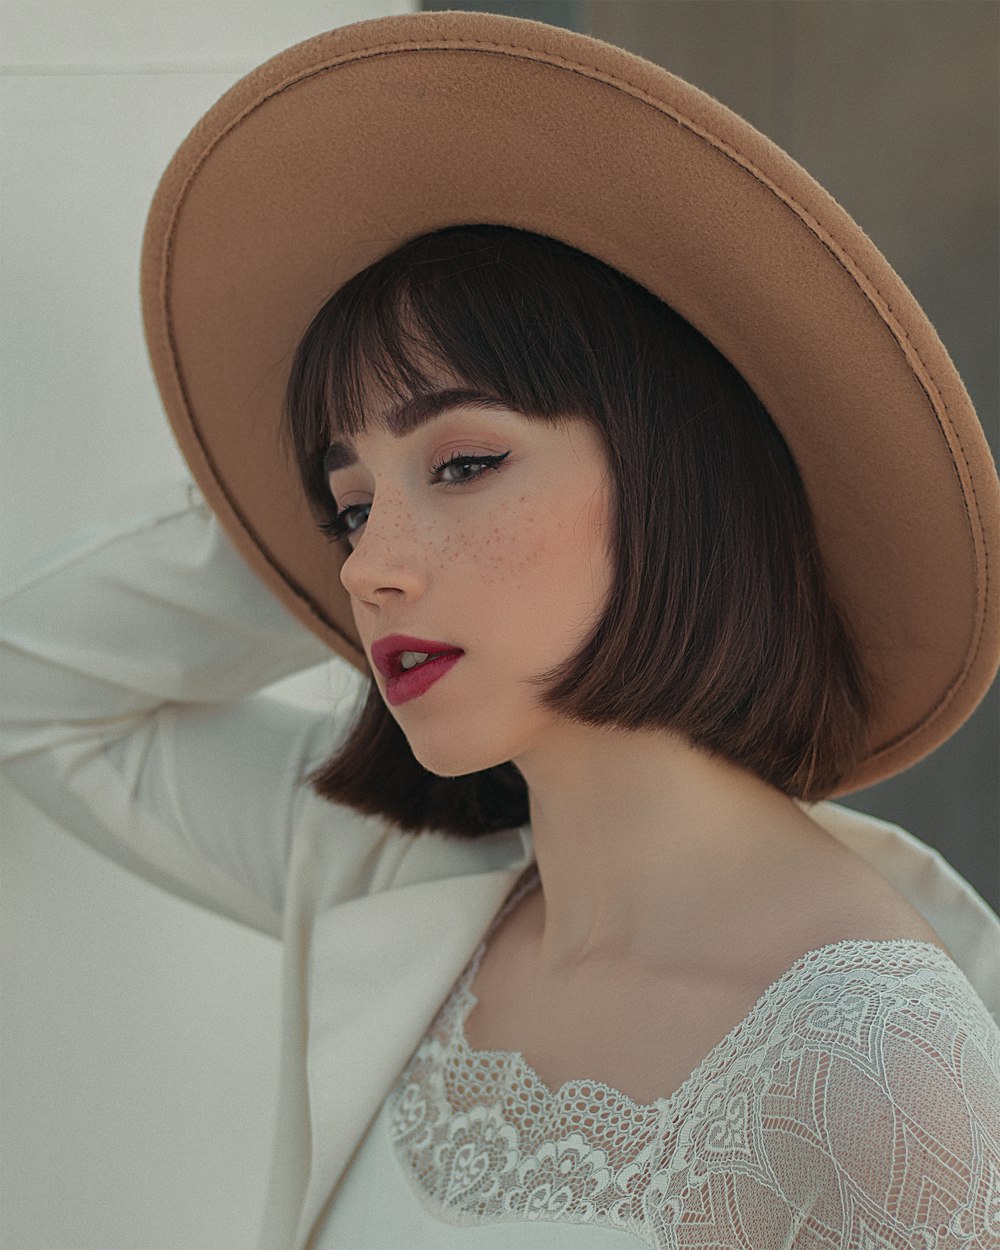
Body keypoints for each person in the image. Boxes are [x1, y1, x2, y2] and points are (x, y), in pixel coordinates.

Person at [3, 10, 999, 1250]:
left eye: (466, 462)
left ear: (678, 480)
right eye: (349, 504)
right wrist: (286, 526)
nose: (370, 569)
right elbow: (29, 692)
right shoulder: (389, 878)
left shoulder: (874, 1070)